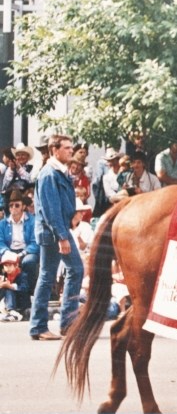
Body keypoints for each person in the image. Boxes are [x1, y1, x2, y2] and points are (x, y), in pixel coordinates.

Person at [29, 134, 84, 340]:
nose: (71, 151)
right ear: (55, 150)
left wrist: (73, 216)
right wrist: (62, 236)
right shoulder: (49, 174)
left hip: (56, 230)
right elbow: (50, 210)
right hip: (53, 232)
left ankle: (42, 326)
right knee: (72, 270)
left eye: (71, 147)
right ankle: (61, 323)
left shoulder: (59, 172)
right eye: (67, 148)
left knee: (48, 276)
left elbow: (60, 206)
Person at [0, 190, 39, 320]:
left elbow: (35, 242)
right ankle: (6, 297)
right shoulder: (3, 223)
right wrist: (7, 252)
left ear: (23, 206)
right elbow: (0, 242)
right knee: (5, 263)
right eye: (11, 205)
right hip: (9, 251)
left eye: (17, 205)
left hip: (25, 251)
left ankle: (28, 293)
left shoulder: (32, 221)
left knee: (29, 261)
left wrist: (21, 254)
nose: (13, 208)